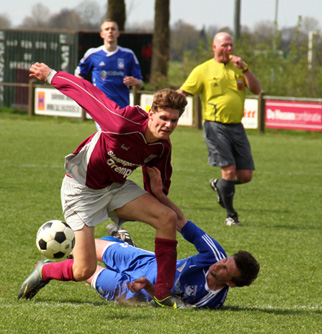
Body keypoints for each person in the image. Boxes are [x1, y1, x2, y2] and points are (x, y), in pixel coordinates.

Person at [18, 62, 189, 309]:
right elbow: (87, 93)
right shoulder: (121, 123)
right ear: (151, 112)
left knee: (166, 219)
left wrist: (166, 202)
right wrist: (51, 76)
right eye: (164, 118)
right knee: (83, 269)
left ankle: (162, 294)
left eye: (174, 121)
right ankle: (46, 270)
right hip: (81, 189)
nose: (168, 125)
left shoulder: (162, 147)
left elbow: (156, 188)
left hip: (116, 188)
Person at [177, 32, 261, 227]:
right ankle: (231, 216)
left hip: (237, 126)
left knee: (246, 175)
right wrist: (164, 102)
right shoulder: (203, 70)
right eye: (224, 45)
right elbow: (184, 91)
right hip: (215, 125)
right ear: (214, 47)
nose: (229, 49)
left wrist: (246, 69)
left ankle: (220, 185)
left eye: (231, 45)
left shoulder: (240, 69)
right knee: (229, 170)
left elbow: (257, 89)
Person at [85, 218, 259, 309]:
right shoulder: (215, 254)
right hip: (149, 263)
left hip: (137, 293)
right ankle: (125, 244)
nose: (219, 264)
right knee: (81, 246)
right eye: (225, 260)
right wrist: (159, 194)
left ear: (230, 283)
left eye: (225, 269)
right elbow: (182, 222)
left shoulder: (209, 301)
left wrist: (147, 286)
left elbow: (170, 304)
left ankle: (122, 242)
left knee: (81, 266)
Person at [75, 19, 143, 110]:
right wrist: (86, 93)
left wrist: (135, 81)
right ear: (102, 34)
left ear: (118, 33)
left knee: (120, 124)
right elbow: (78, 75)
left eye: (113, 29)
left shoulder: (128, 55)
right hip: (100, 106)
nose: (110, 31)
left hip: (122, 106)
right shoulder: (92, 54)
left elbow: (140, 83)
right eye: (107, 29)